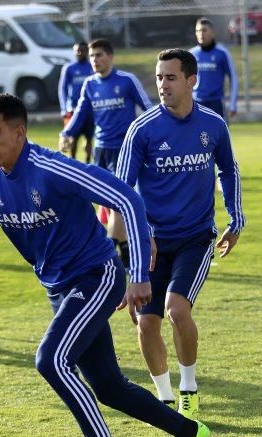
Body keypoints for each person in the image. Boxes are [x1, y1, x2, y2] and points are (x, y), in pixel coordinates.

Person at [0, 93, 210, 437]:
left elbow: (127, 198)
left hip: (98, 276)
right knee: (109, 387)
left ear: (20, 131)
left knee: (50, 360)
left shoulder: (51, 168)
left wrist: (138, 275)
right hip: (60, 288)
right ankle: (190, 433)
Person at [116, 49, 245, 417]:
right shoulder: (142, 129)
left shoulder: (213, 125)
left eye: (170, 77)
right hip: (152, 241)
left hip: (196, 236)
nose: (162, 85)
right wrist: (141, 238)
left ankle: (188, 388)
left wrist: (236, 220)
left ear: (192, 81)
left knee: (175, 309)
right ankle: (165, 399)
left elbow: (229, 171)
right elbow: (122, 193)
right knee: (146, 321)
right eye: (158, 77)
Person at [60, 38, 153, 270]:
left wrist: (158, 133)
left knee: (119, 199)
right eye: (92, 56)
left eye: (99, 55)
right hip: (101, 150)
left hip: (124, 149)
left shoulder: (127, 80)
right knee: (108, 203)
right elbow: (81, 112)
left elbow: (148, 108)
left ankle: (111, 251)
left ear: (110, 57)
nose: (95, 60)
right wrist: (67, 132)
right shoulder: (90, 84)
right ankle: (125, 252)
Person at [190, 18, 238, 121]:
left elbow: (233, 78)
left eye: (204, 30)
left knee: (219, 136)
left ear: (212, 33)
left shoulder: (222, 53)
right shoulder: (191, 54)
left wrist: (233, 104)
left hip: (216, 104)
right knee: (195, 136)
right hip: (196, 104)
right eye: (198, 31)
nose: (201, 34)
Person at [57, 41, 94, 163]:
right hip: (73, 110)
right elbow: (62, 88)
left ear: (87, 52)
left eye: (82, 50)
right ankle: (73, 163)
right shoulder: (69, 68)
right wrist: (64, 108)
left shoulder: (92, 67)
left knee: (89, 138)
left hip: (89, 110)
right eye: (77, 50)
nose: (79, 52)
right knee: (73, 138)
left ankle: (88, 162)